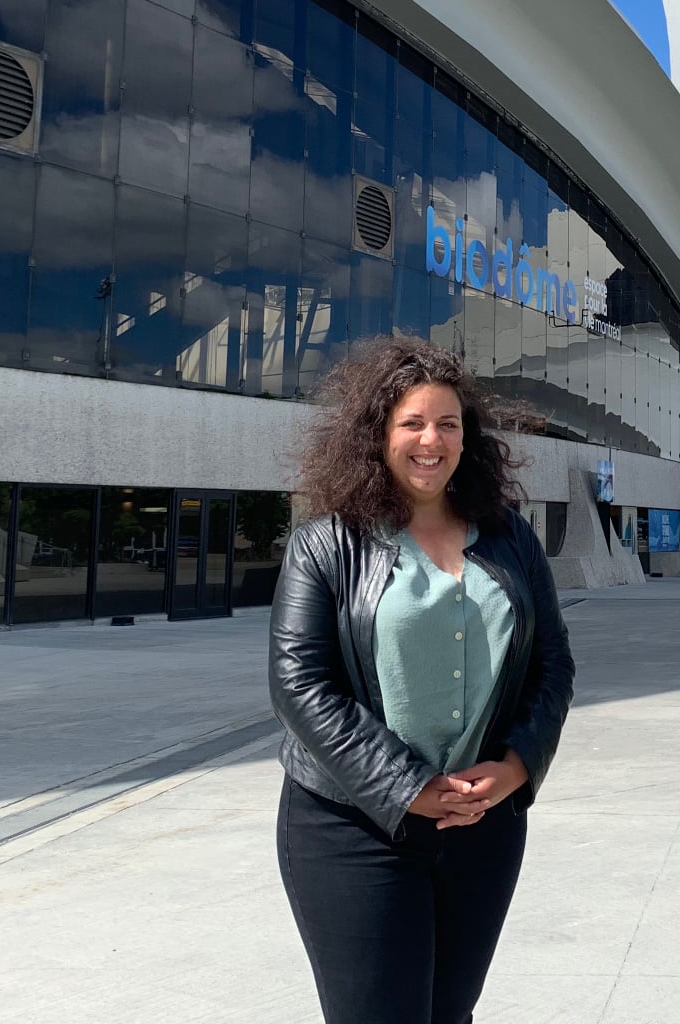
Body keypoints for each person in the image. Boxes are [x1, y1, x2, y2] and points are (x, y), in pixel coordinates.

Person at [270, 337, 576, 1024]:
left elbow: (552, 663)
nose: (431, 440)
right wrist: (408, 787)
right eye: (412, 423)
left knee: (449, 1014)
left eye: (448, 424)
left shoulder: (510, 538)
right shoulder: (326, 543)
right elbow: (300, 685)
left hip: (481, 824)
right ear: (378, 435)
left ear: (468, 438)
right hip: (353, 827)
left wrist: (517, 767)